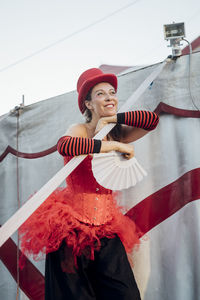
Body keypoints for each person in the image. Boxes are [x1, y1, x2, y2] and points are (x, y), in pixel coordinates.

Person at [19, 68, 159, 300]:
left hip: (106, 229)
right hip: (72, 230)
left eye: (112, 92)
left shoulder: (117, 132)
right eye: (100, 94)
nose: (109, 97)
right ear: (88, 104)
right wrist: (114, 147)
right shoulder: (80, 130)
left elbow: (151, 121)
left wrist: (112, 119)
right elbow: (65, 146)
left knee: (125, 295)